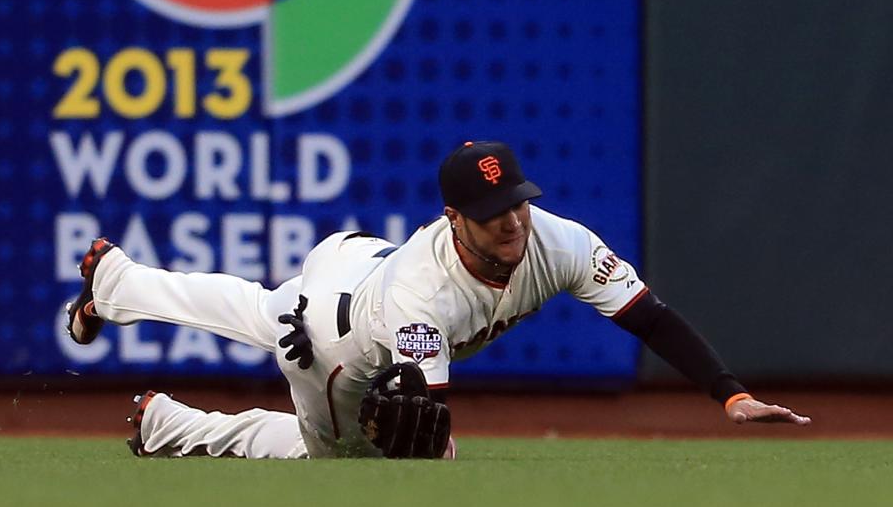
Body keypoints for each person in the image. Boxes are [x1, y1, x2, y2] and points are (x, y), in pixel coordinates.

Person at [66, 140, 810, 459]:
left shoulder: (558, 241)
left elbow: (650, 315)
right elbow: (422, 408)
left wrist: (729, 395)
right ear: (455, 219)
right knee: (350, 462)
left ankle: (118, 291)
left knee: (259, 313)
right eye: (494, 214)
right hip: (340, 344)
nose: (514, 221)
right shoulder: (425, 298)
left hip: (359, 264)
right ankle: (169, 422)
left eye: (519, 201)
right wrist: (420, 441)